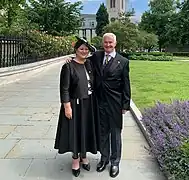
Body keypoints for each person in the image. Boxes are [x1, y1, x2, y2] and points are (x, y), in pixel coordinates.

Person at [66, 33, 131, 178]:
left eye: (110, 43)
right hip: (98, 101)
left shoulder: (123, 61)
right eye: (106, 43)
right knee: (102, 132)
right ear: (103, 43)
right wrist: (70, 59)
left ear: (115, 43)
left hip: (115, 102)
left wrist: (125, 104)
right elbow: (81, 58)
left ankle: (115, 162)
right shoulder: (97, 56)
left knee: (115, 133)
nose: (108, 45)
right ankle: (104, 158)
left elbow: (126, 84)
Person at [54, 36, 100, 177]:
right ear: (75, 50)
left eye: (86, 49)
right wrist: (67, 106)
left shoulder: (89, 64)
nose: (84, 51)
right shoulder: (68, 66)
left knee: (86, 130)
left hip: (89, 103)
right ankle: (75, 159)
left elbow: (97, 53)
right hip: (75, 104)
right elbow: (64, 89)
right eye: (81, 49)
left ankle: (84, 156)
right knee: (75, 131)